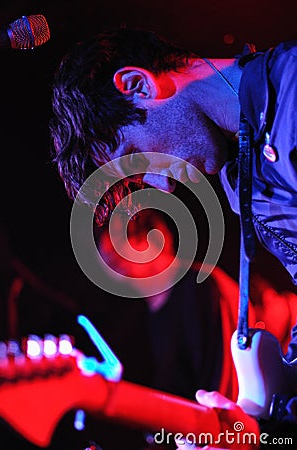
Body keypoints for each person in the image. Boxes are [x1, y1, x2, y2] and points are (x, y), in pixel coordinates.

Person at [49, 28, 297, 447]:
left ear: (138, 85)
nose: (160, 191)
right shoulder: (242, 187)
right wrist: (254, 428)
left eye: (134, 157)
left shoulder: (291, 89)